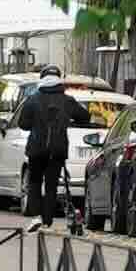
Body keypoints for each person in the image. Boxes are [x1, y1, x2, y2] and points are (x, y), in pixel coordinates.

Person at [15, 71, 89, 219]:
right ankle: (47, 218)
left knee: (34, 182)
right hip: (58, 149)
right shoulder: (67, 100)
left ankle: (35, 216)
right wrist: (70, 120)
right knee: (51, 184)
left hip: (36, 148)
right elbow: (85, 116)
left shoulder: (32, 99)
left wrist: (34, 125)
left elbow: (22, 124)